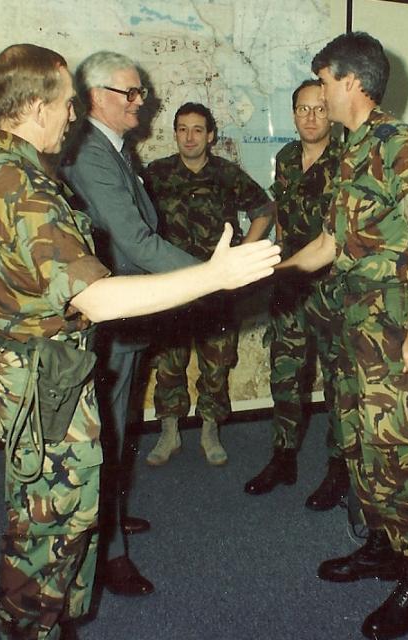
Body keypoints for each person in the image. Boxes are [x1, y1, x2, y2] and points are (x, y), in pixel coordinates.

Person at [0, 43, 280, 639]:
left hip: (27, 367)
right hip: (50, 377)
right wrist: (216, 277)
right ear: (38, 106)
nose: (71, 115)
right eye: (66, 103)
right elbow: (95, 299)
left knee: (48, 519)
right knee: (48, 536)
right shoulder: (25, 187)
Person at [282, 32, 408, 639]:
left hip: (391, 330)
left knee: (394, 451)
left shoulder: (398, 142)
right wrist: (271, 273)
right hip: (351, 328)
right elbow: (330, 244)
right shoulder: (351, 151)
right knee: (357, 444)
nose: (319, 95)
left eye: (325, 82)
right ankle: (383, 546)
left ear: (350, 82)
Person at [59, 51, 201, 597]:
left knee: (119, 429)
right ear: (97, 97)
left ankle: (109, 520)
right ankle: (110, 553)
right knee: (108, 436)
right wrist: (213, 274)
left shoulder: (114, 149)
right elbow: (137, 242)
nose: (142, 101)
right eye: (131, 92)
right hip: (109, 323)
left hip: (127, 317)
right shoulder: (91, 154)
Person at [143, 102, 273, 467]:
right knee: (169, 363)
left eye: (197, 130)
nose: (189, 137)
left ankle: (209, 431)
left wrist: (242, 254)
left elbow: (264, 210)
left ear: (210, 135)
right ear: (175, 133)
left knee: (216, 364)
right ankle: (169, 432)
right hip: (171, 285)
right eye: (182, 129)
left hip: (217, 288)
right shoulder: (156, 174)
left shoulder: (226, 174)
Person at [243, 80, 349, 510]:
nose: (311, 117)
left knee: (338, 382)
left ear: (332, 114)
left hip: (331, 288)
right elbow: (283, 218)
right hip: (289, 287)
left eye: (320, 109)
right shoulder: (286, 158)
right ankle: (283, 457)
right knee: (285, 374)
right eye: (303, 109)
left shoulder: (346, 161)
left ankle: (339, 468)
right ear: (293, 114)